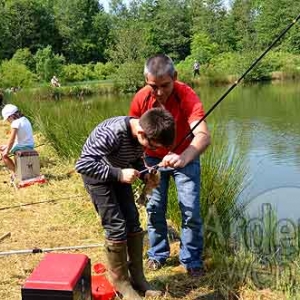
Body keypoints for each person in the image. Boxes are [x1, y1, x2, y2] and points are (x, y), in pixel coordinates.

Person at [75, 108, 175, 300]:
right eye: (153, 147)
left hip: (120, 174)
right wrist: (119, 174)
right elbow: (83, 164)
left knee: (133, 221)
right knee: (115, 226)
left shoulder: (141, 134)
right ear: (141, 133)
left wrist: (145, 174)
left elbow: (135, 158)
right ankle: (120, 282)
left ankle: (137, 278)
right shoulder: (112, 133)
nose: (152, 151)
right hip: (97, 178)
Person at [129, 54, 211, 277]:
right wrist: (141, 140)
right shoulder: (141, 97)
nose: (158, 92)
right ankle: (157, 254)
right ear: (146, 80)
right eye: (152, 86)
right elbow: (133, 125)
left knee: (190, 211)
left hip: (185, 157)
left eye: (164, 85)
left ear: (175, 77)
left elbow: (203, 136)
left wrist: (184, 157)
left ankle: (192, 260)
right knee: (154, 209)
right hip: (153, 160)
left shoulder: (187, 95)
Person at [1, 104, 34, 177]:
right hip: (30, 145)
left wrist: (6, 151)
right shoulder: (25, 119)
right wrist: (6, 146)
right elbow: (21, 138)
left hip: (22, 146)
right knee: (3, 147)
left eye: (7, 119)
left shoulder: (15, 123)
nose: (8, 121)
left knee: (3, 155)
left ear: (11, 116)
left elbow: (11, 140)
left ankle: (15, 173)